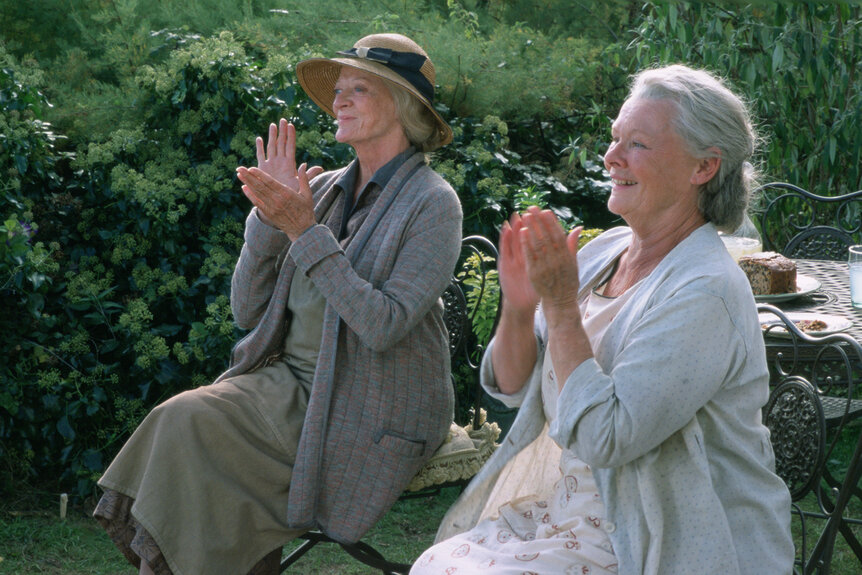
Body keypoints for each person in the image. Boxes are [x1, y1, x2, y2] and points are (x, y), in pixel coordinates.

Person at [94, 33, 462, 575]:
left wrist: (303, 230)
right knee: (180, 421)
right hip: (289, 386)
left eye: (358, 89)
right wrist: (268, 224)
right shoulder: (328, 189)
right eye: (339, 89)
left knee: (192, 429)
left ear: (405, 107)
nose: (339, 99)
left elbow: (382, 326)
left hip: (370, 401)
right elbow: (248, 312)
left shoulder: (433, 203)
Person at [411, 64, 794, 574]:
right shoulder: (605, 252)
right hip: (573, 516)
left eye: (637, 143)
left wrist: (563, 308)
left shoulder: (706, 290)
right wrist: (522, 309)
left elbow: (606, 437)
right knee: (438, 564)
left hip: (666, 537)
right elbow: (511, 388)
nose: (612, 156)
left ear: (703, 167)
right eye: (615, 138)